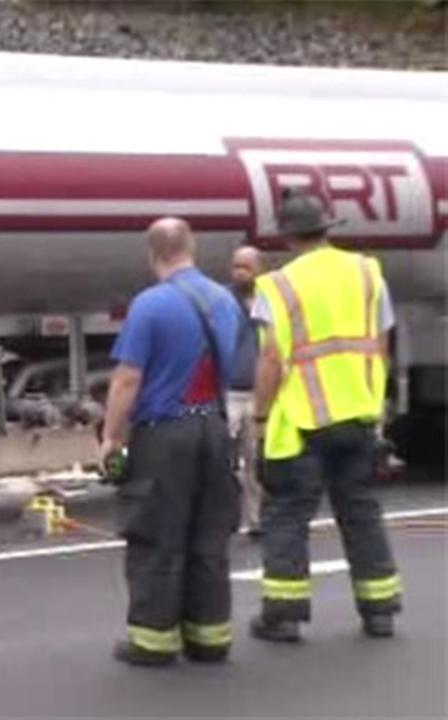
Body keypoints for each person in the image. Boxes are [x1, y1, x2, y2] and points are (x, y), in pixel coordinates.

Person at [248, 189, 402, 642]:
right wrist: (375, 402)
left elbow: (271, 359)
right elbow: (381, 344)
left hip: (302, 420)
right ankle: (379, 611)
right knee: (360, 512)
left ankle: (284, 616)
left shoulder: (278, 285)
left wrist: (259, 418)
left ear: (286, 237)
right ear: (326, 228)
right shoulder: (367, 272)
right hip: (358, 414)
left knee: (287, 516)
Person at [99, 217, 242, 666]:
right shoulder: (225, 300)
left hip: (166, 434)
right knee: (209, 536)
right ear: (191, 247)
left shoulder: (150, 305)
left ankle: (154, 641)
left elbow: (128, 379)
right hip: (214, 428)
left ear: (152, 254)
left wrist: (111, 437)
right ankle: (210, 638)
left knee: (157, 537)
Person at [228, 245, 265, 536]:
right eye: (236, 267)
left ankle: (257, 518)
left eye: (246, 267)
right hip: (228, 391)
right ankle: (224, 517)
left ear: (259, 269)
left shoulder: (270, 301)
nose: (240, 273)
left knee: (256, 459)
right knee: (220, 458)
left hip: (258, 392)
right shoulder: (223, 301)